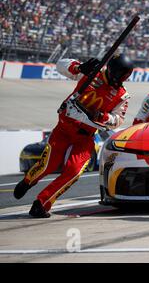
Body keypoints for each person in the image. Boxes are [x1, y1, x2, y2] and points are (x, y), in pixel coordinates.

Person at [13, 54, 133, 218]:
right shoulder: (92, 72)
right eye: (120, 74)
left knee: (74, 171)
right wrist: (79, 67)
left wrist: (102, 117)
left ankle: (41, 204)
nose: (121, 79)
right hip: (64, 128)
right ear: (112, 69)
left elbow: (118, 120)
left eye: (125, 76)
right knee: (49, 164)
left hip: (85, 136)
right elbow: (60, 65)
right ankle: (28, 180)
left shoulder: (122, 95)